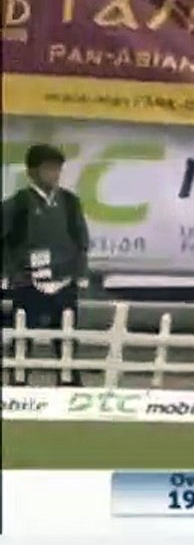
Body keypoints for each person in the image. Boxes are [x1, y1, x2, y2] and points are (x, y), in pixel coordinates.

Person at [1, 144, 90, 386]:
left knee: (66, 337)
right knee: (23, 336)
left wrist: (80, 273)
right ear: (32, 172)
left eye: (57, 169)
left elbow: (81, 241)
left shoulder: (70, 203)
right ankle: (18, 381)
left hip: (63, 281)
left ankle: (69, 381)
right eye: (48, 169)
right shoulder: (17, 204)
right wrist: (7, 272)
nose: (54, 174)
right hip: (28, 281)